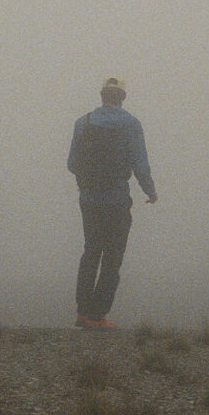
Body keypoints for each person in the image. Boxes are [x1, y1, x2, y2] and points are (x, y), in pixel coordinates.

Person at [67, 77, 156, 329]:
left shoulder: (82, 123)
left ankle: (82, 312)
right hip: (116, 199)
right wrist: (151, 192)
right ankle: (98, 316)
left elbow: (71, 164)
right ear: (122, 98)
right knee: (112, 256)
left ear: (101, 95)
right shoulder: (131, 124)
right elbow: (140, 164)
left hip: (88, 199)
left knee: (90, 252)